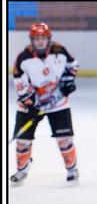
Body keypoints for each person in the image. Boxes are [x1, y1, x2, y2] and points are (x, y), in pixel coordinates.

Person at [11, 22, 80, 186]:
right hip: (30, 106)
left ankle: (72, 169)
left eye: (43, 38)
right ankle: (22, 170)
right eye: (36, 39)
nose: (40, 42)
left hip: (57, 103)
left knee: (64, 138)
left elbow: (73, 65)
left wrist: (67, 81)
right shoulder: (23, 58)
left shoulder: (59, 51)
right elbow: (20, 83)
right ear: (31, 40)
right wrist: (32, 103)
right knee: (22, 140)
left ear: (48, 39)